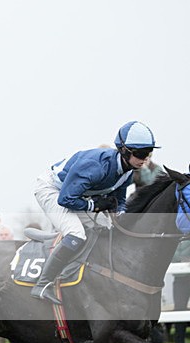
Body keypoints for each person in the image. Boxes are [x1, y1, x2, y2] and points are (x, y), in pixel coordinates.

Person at [31, 120, 159, 304]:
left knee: (108, 231)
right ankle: (43, 284)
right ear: (124, 150)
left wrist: (121, 217)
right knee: (76, 234)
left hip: (76, 194)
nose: (145, 159)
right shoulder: (96, 167)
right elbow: (65, 199)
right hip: (53, 190)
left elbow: (119, 201)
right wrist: (94, 205)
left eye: (149, 153)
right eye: (140, 153)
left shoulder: (128, 170)